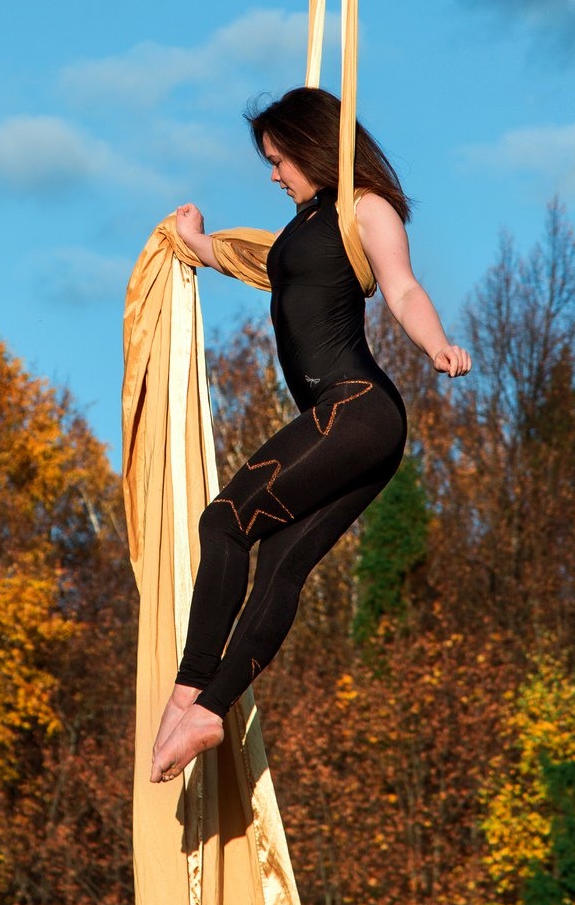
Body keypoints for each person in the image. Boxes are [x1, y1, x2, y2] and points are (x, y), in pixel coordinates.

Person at [150, 87, 472, 785]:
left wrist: (436, 344)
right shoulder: (300, 227)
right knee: (283, 564)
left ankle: (188, 693)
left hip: (355, 409)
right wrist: (196, 238)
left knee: (227, 520)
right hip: (349, 425)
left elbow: (404, 289)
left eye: (277, 159)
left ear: (311, 146)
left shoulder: (364, 209)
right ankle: (212, 708)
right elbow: (248, 261)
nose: (272, 174)